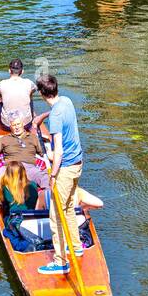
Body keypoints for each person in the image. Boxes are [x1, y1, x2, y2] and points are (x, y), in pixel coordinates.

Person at [34, 72, 84, 275]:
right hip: (78, 164)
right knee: (70, 207)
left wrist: (53, 176)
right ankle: (76, 247)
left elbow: (59, 152)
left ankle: (60, 261)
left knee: (56, 215)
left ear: (40, 93)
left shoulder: (55, 117)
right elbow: (55, 112)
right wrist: (43, 116)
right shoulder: (66, 101)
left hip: (64, 168)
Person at [0, 58, 37, 130]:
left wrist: (0, 96)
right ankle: (31, 115)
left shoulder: (1, 83)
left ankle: (4, 117)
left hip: (7, 126)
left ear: (9, 71)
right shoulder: (29, 82)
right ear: (22, 71)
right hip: (26, 125)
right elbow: (34, 90)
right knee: (30, 93)